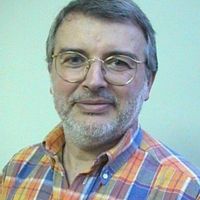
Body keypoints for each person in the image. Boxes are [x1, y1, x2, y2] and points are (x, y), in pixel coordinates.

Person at [1, 0, 200, 199]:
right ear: (51, 73)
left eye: (118, 62)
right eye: (74, 59)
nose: (94, 81)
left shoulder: (185, 191)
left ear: (148, 82)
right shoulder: (15, 170)